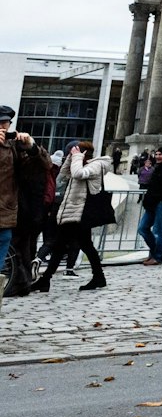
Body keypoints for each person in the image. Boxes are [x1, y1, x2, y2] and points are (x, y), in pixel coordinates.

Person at [38, 141, 110, 292]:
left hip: (82, 213)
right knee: (69, 245)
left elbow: (79, 174)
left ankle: (46, 280)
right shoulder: (77, 163)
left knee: (71, 245)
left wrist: (77, 157)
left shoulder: (96, 165)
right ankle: (98, 277)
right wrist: (70, 159)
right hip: (73, 212)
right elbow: (61, 178)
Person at [3, 110, 48, 297]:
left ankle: (21, 283)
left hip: (12, 209)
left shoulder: (14, 146)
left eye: (6, 124)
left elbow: (44, 165)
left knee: (16, 247)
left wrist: (31, 147)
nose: (3, 128)